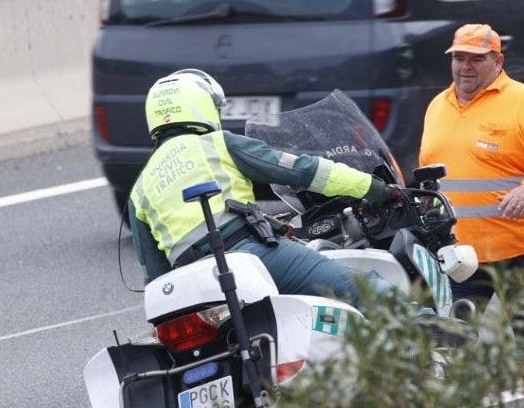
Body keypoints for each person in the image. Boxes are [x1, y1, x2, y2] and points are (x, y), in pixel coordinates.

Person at [129, 69, 396, 309]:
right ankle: (428, 334)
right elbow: (303, 171)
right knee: (366, 288)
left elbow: (155, 274)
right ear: (201, 107)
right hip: (246, 254)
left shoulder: (139, 189)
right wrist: (376, 189)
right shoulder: (218, 143)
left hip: (193, 285)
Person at [419, 23, 524, 401]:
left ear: (498, 61)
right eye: (459, 58)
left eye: (477, 59)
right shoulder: (438, 107)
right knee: (445, 348)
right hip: (461, 258)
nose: (466, 67)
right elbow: (431, 174)